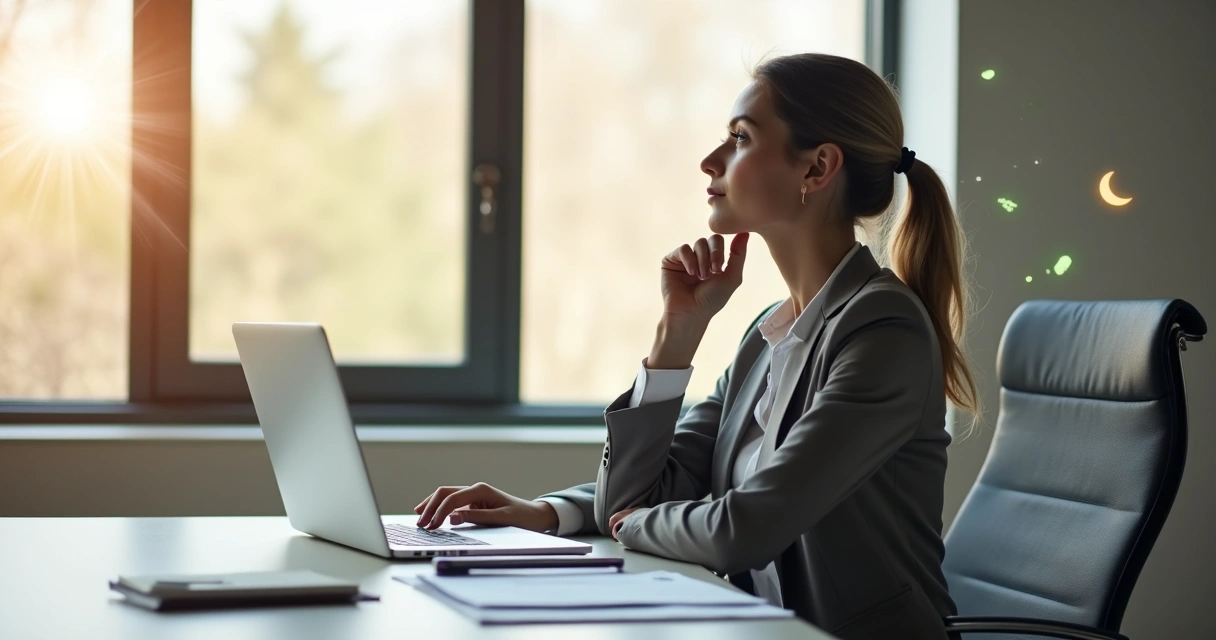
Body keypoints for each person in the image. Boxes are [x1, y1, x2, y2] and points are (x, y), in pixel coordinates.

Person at [413, 52, 978, 640]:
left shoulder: (883, 331)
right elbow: (642, 493)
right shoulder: (768, 335)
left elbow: (745, 529)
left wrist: (628, 524)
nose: (710, 161)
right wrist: (676, 335)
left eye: (740, 138)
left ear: (817, 168)